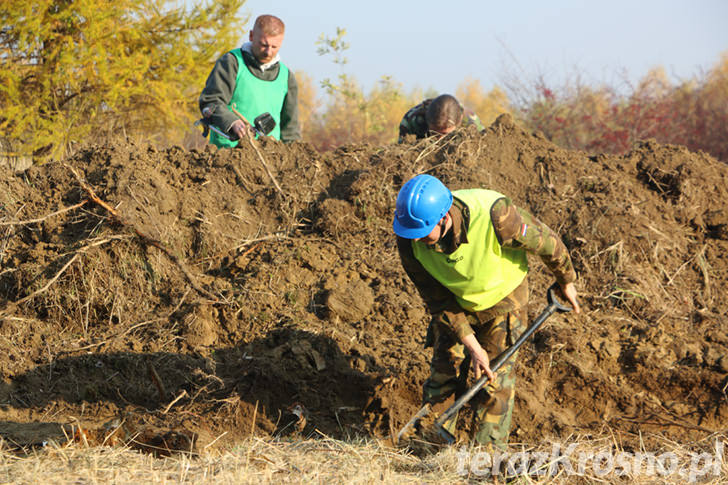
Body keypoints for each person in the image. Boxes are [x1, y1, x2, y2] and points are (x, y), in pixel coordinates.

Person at [393, 174, 580, 449]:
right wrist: (471, 344)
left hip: (502, 300)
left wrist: (566, 280)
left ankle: (487, 460)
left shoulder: (497, 215)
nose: (417, 240)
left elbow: (547, 242)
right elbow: (437, 301)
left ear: (444, 218)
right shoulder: (408, 238)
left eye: (422, 234)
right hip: (456, 302)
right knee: (443, 374)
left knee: (494, 381)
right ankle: (429, 448)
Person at [199, 14, 301, 147]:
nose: (268, 52)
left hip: (270, 159)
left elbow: (290, 129)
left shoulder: (286, 77)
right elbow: (211, 101)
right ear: (252, 36)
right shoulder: (231, 63)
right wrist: (232, 122)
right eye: (263, 45)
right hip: (226, 155)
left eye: (274, 47)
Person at [398, 94, 484, 143]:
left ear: (459, 121)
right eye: (434, 133)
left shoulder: (471, 123)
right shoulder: (412, 120)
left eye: (445, 134)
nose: (439, 139)